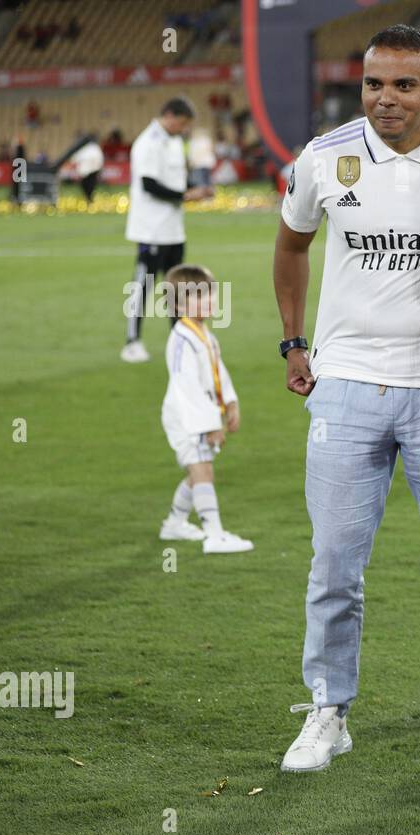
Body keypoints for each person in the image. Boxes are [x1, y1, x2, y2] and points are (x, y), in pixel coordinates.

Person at [273, 24, 420, 774]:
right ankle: (327, 710)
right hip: (346, 384)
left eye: (404, 85)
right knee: (335, 560)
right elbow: (290, 246)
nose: (386, 98)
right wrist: (294, 343)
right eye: (374, 83)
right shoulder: (322, 157)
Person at [158, 264, 252, 554]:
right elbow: (185, 386)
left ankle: (174, 523)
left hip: (201, 417)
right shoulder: (181, 339)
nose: (208, 301)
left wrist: (230, 403)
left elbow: (217, 372)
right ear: (178, 305)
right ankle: (214, 535)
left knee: (196, 473)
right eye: (198, 296)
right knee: (203, 472)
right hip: (187, 419)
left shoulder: (203, 334)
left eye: (209, 293)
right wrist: (209, 423)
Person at [122, 98, 214, 364]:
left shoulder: (173, 141)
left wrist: (194, 189)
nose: (183, 129)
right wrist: (186, 195)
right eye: (182, 123)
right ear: (170, 115)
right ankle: (131, 342)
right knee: (143, 285)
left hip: (173, 229)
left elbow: (176, 179)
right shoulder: (147, 143)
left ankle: (180, 340)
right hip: (151, 228)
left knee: (178, 288)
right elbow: (149, 184)